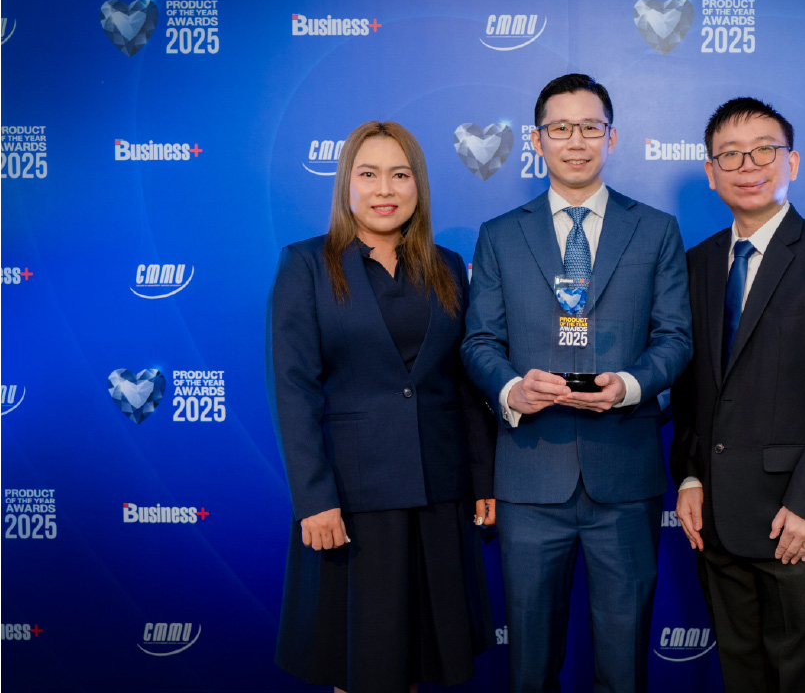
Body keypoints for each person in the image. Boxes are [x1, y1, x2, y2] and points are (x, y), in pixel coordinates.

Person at [462, 73, 692, 692]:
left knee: (624, 668)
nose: (576, 140)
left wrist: (630, 385)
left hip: (625, 477)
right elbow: (479, 342)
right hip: (530, 479)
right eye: (560, 128)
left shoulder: (656, 230)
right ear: (537, 139)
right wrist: (512, 390)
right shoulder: (500, 235)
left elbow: (676, 338)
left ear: (611, 137)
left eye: (590, 127)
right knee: (530, 669)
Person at [267, 121, 496, 693]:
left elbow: (464, 383)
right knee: (361, 666)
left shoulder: (448, 266)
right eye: (368, 174)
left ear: (419, 185)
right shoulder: (306, 265)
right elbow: (293, 389)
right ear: (346, 183)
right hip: (353, 502)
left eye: (400, 174)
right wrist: (314, 500)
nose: (385, 189)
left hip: (438, 494)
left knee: (419, 662)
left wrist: (483, 480)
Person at [671, 98, 805, 692]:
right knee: (742, 679)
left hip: (795, 525)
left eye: (764, 151)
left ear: (792, 162)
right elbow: (690, 389)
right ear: (711, 172)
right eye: (730, 155)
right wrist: (689, 475)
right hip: (716, 525)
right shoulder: (696, 264)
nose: (748, 166)